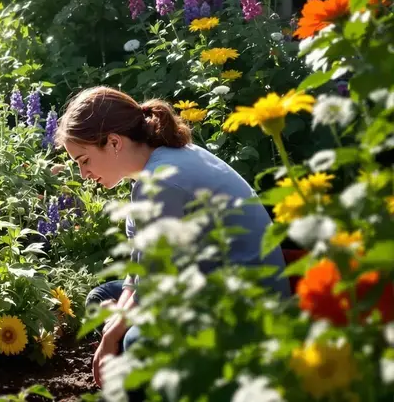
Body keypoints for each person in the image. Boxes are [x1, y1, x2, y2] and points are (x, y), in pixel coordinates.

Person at [54, 87, 288, 390]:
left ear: (113, 142)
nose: (83, 173)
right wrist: (117, 325)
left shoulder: (164, 180)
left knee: (138, 342)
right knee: (102, 301)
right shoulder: (154, 167)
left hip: (246, 310)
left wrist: (111, 339)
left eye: (83, 160)